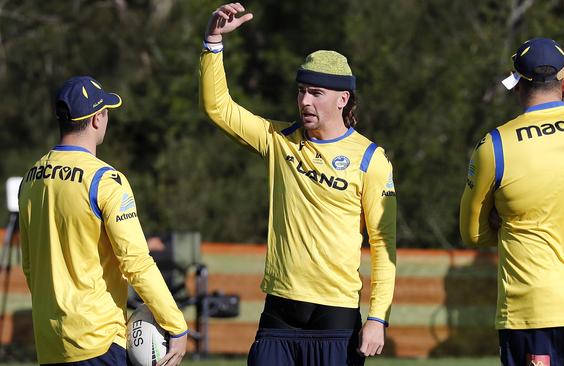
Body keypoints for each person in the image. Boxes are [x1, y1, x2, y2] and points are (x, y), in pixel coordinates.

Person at [200, 3, 397, 365]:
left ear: (343, 99)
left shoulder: (371, 158)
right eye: (302, 91)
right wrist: (213, 42)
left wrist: (377, 317)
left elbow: (384, 246)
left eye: (316, 93)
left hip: (336, 318)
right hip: (279, 314)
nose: (304, 101)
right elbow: (219, 108)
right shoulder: (278, 140)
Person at [459, 38, 564, 365]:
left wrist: (506, 225)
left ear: (516, 84)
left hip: (533, 308)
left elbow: (473, 234)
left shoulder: (494, 145)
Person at [18, 76, 188, 365]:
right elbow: (136, 262)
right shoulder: (106, 180)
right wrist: (176, 324)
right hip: (98, 342)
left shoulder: (31, 178)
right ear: (98, 119)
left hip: (50, 344)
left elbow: (30, 266)